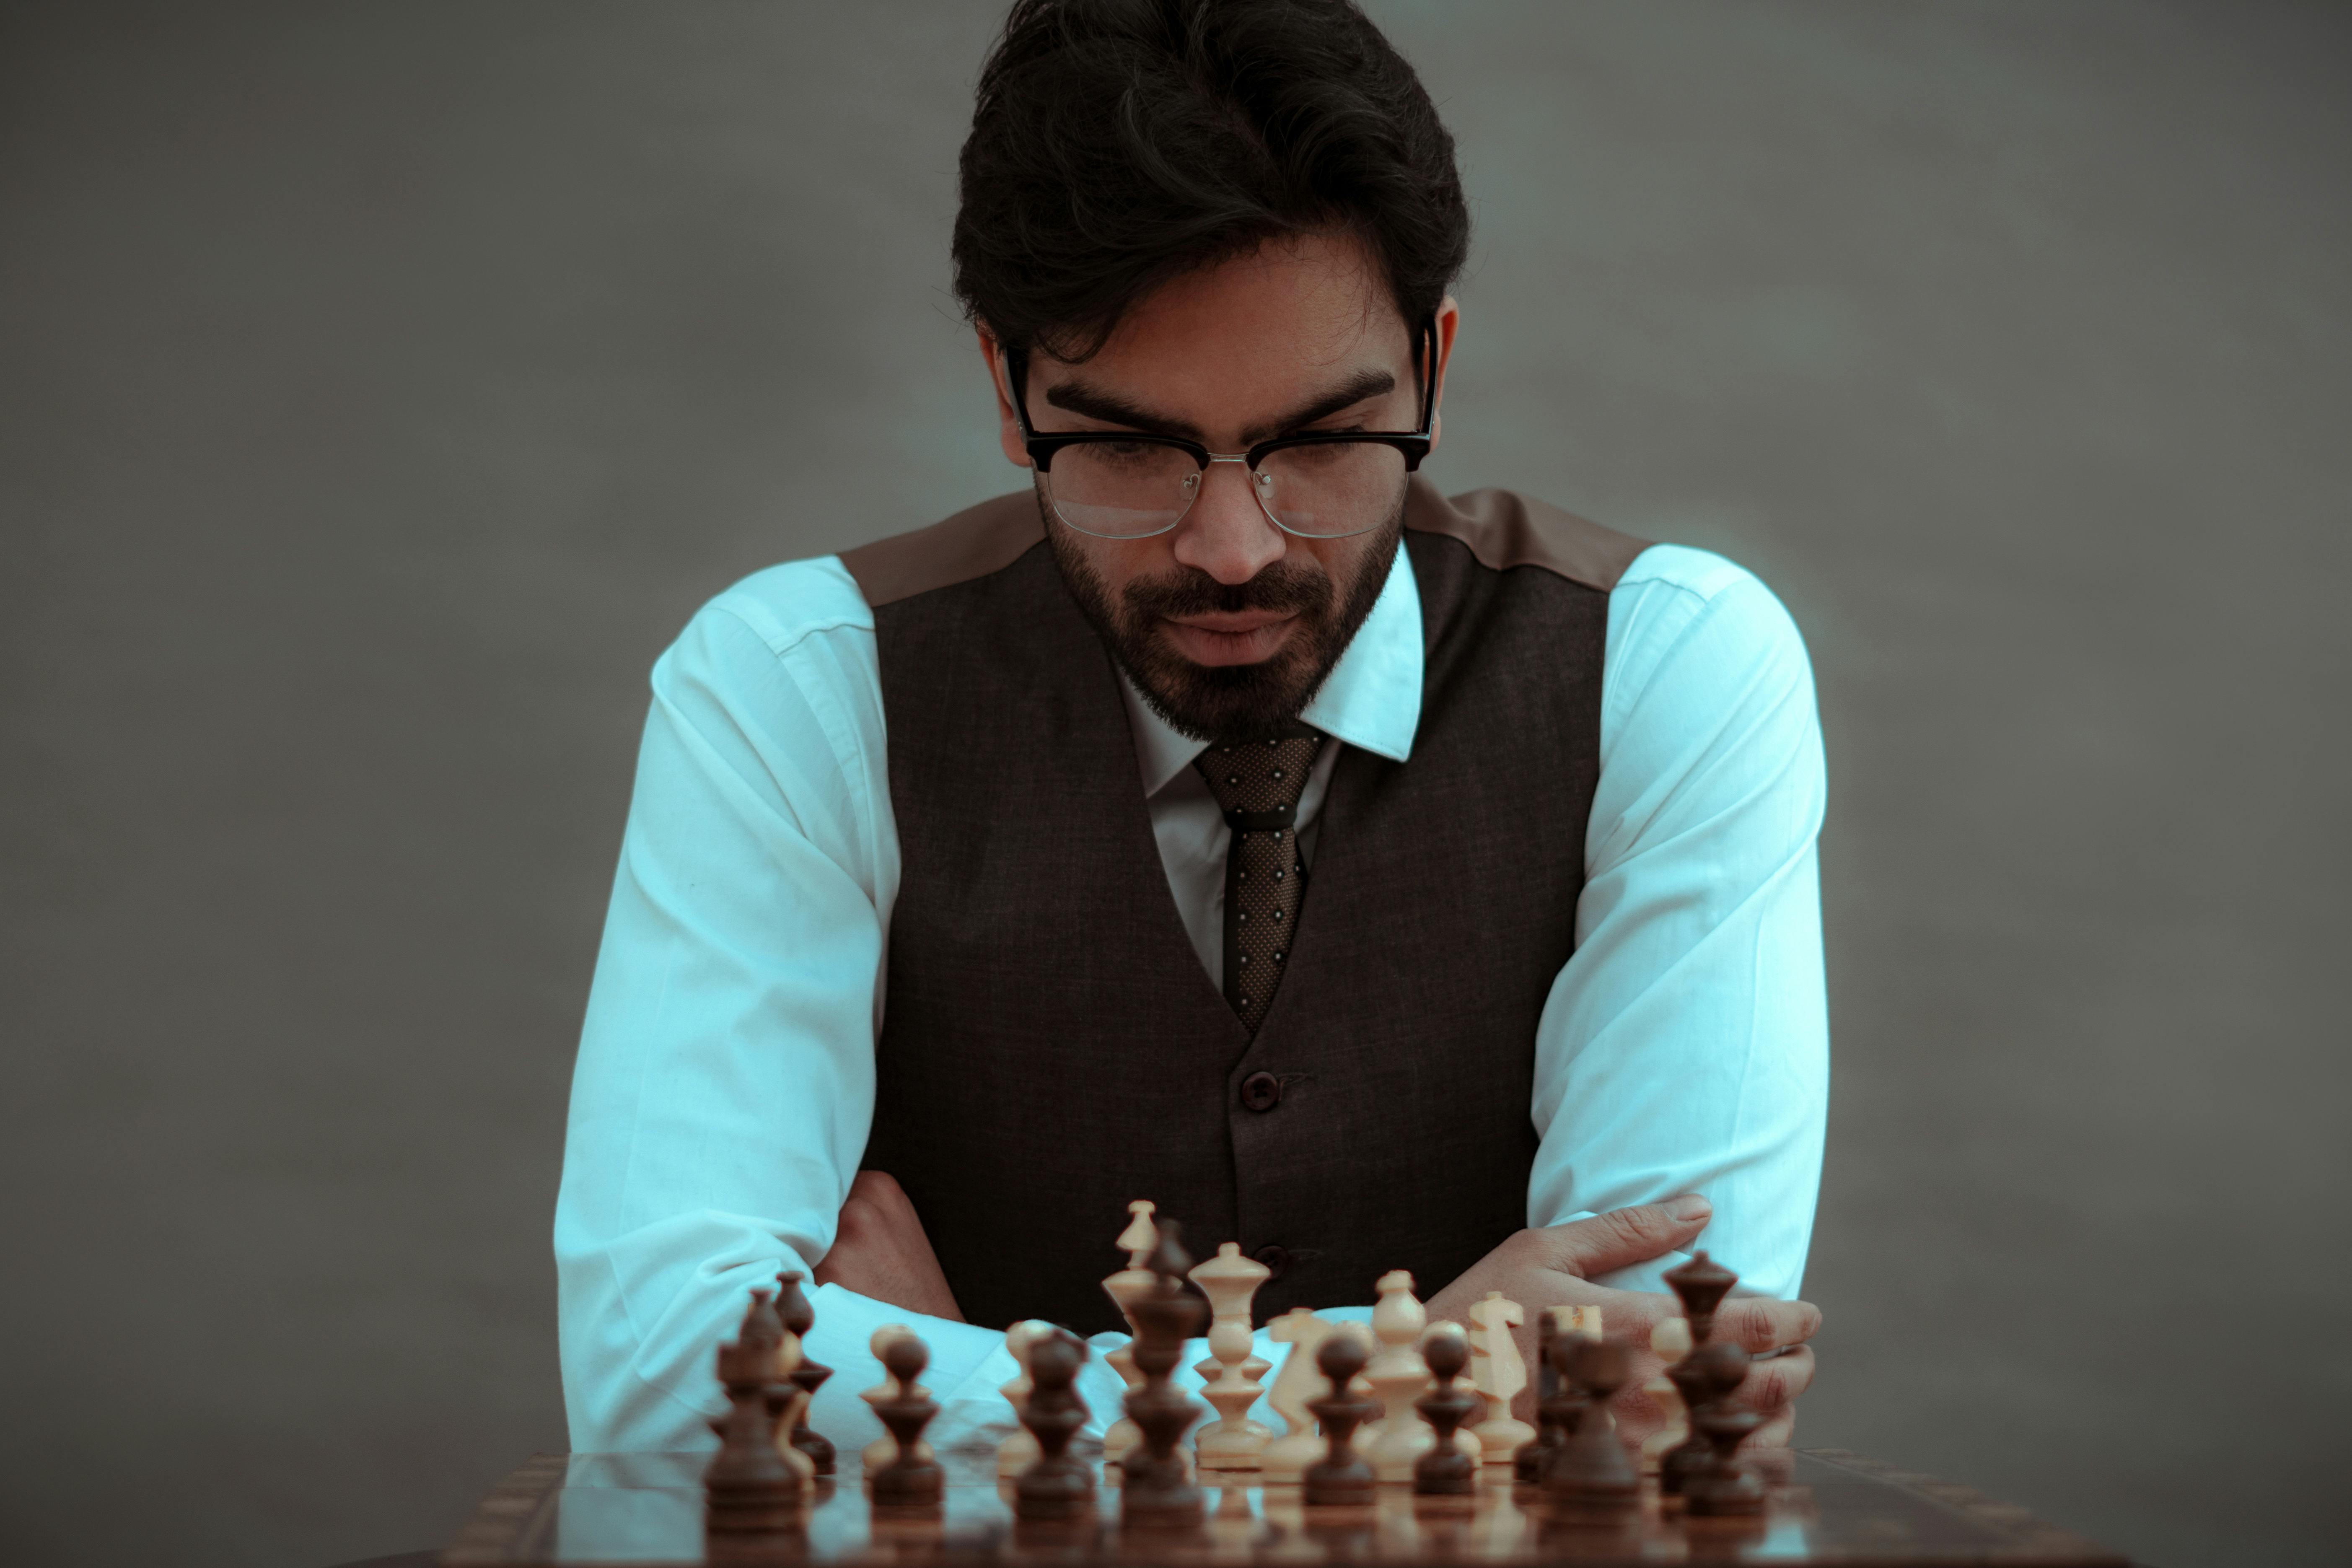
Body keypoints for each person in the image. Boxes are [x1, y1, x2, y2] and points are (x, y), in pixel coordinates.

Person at [557, 0, 1826, 1457]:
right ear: (1002, 387)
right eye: (1128, 446)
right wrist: (1403, 1381)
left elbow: (1656, 1379)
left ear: (1434, 368)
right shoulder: (797, 684)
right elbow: (658, 1374)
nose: (1232, 547)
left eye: (1323, 440)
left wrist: (961, 1371)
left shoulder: (1663, 667)